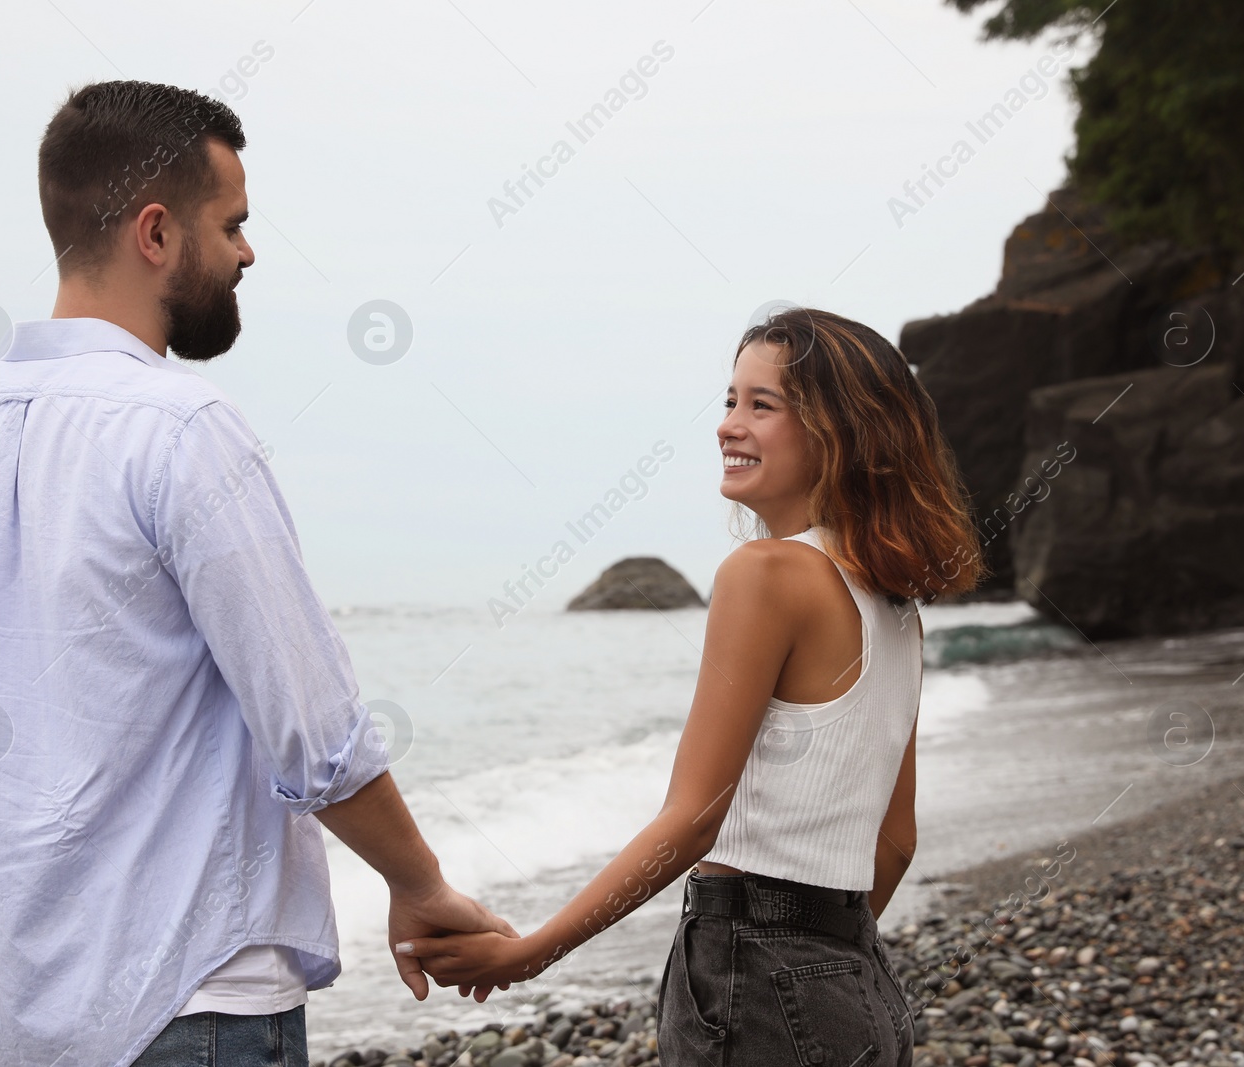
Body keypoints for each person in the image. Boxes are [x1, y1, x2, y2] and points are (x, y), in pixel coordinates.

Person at [0, 81, 508, 1067]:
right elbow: (314, 727)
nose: (248, 252)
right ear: (156, 233)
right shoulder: (182, 428)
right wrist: (419, 884)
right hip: (192, 1001)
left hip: (5, 1019)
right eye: (234, 224)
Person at [398, 308, 985, 1064]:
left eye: (761, 405)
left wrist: (532, 950)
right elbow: (895, 843)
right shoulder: (897, 609)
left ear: (838, 430)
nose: (729, 425)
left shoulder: (766, 573)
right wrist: (824, 958)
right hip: (858, 978)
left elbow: (693, 817)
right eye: (729, 400)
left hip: (756, 971)